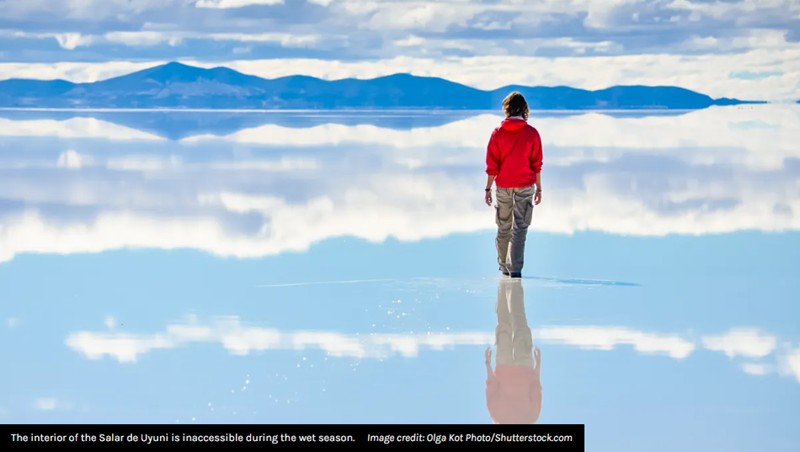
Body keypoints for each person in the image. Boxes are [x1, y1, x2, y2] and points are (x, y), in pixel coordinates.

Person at [484, 92, 543, 278]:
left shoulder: (497, 133)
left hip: (503, 186)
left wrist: (488, 188)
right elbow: (537, 164)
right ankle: (515, 269)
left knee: (503, 227)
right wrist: (539, 188)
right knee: (520, 228)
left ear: (507, 109)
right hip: (525, 186)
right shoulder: (532, 133)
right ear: (524, 109)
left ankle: (503, 267)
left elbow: (492, 165)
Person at [485, 278, 542, 423]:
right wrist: (538, 365)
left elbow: (492, 389)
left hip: (509, 366)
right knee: (516, 323)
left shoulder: (500, 418)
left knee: (509, 324)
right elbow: (535, 389)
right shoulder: (529, 418)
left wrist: (488, 365)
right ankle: (512, 282)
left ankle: (505, 282)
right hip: (519, 366)